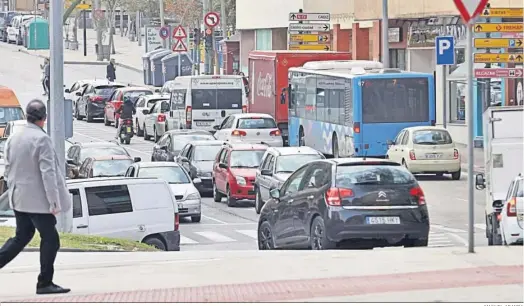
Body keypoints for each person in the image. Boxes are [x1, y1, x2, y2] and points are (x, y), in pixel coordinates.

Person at [0, 99, 71, 295]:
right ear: (43, 119)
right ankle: (45, 282)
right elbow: (48, 173)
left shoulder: (15, 137)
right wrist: (54, 202)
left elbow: (8, 167)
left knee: (22, 236)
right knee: (51, 239)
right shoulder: (42, 139)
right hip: (37, 201)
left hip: (18, 197)